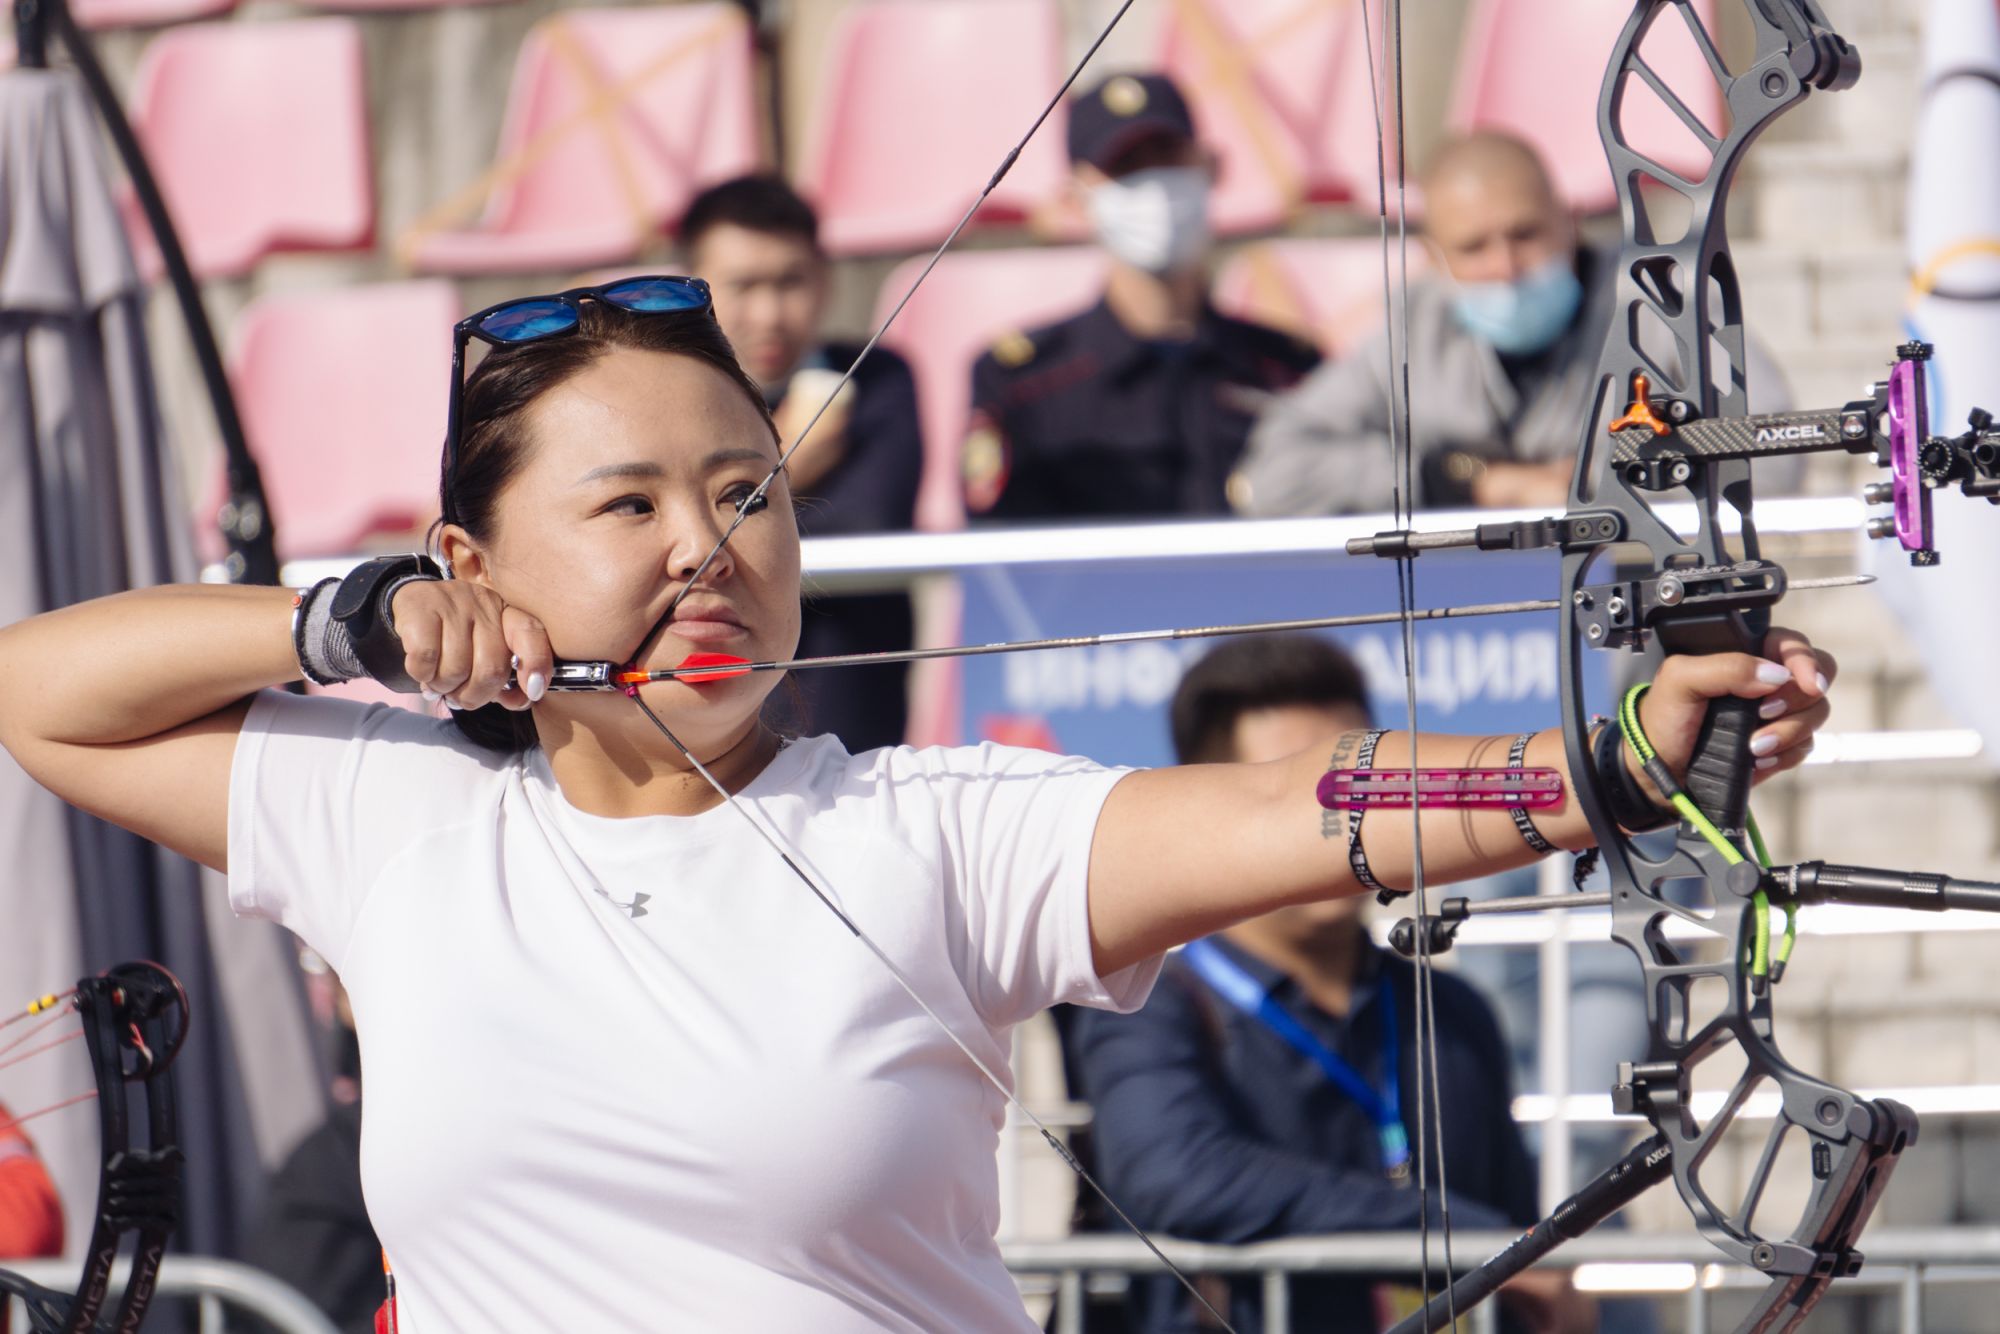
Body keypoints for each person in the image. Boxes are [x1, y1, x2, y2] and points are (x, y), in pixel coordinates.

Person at [0, 278, 1833, 1332]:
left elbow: (1299, 807)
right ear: (475, 557)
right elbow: (40, 693)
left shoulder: (934, 829)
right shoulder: (387, 818)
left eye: (745, 494)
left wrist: (1611, 760)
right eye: (629, 504)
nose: (710, 548)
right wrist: (345, 616)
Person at [1066, 638, 1587, 1334]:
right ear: (1207, 807)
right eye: (1294, 793)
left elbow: (1516, 1241)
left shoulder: (1453, 1011)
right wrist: (1456, 1235)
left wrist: (1500, 1251)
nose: (1342, 818)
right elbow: (1173, 1177)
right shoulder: (1145, 996)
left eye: (1359, 782)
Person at [1234, 130, 1794, 516]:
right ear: (1436, 256)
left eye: (1524, 234)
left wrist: (1597, 493)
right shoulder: (1414, 330)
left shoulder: (1664, 305)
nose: (1505, 267)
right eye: (1474, 248)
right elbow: (1276, 472)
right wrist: (1462, 481)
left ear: (1568, 220)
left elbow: (1773, 454)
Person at [962, 72, 1320, 521]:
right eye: (1126, 169)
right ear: (1075, 199)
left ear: (1210, 168)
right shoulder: (1022, 382)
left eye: (1168, 159)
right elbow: (1002, 562)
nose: (1154, 186)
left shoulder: (1288, 370)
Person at [681, 174, 921, 751]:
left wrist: (725, 507)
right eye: (743, 286)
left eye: (790, 282)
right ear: (693, 288)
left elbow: (867, 530)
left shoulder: (878, 377)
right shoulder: (667, 397)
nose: (769, 314)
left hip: (848, 700)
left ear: (824, 280)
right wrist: (782, 473)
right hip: (703, 699)